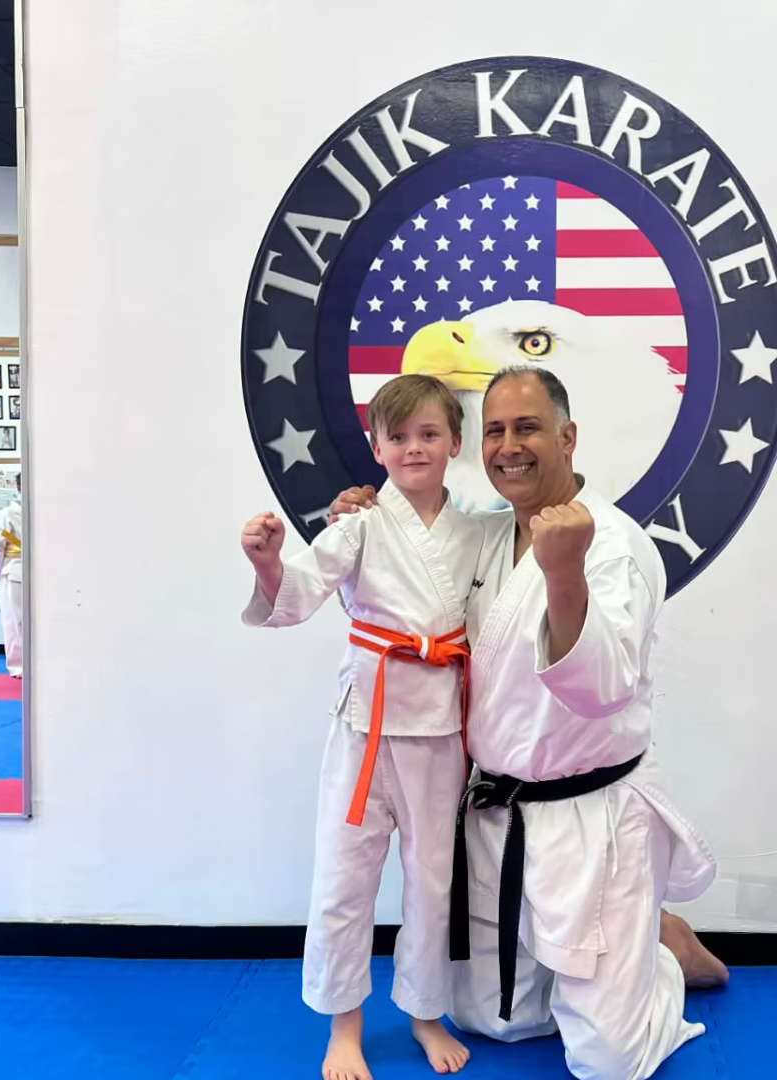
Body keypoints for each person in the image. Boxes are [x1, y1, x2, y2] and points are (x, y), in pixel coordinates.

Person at [332, 367, 728, 1080]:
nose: (509, 446)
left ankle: (661, 958)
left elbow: (604, 688)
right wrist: (368, 516)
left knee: (608, 1059)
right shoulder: (483, 536)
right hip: (498, 813)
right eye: (495, 431)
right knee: (492, 1021)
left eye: (528, 428)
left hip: (590, 816)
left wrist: (565, 573)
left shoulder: (614, 545)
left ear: (568, 438)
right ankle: (633, 943)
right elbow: (401, 598)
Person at [241, 374, 483, 1080]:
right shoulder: (357, 525)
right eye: (399, 437)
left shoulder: (477, 534)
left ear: (454, 443)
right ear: (376, 447)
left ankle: (425, 1011)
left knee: (434, 883)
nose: (414, 448)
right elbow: (295, 597)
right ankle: (343, 1027)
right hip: (365, 728)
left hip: (442, 732)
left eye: (429, 434)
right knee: (345, 877)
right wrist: (264, 560)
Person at [0, 475, 23, 677]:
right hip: (39, 571)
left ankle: (19, 666)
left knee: (14, 621)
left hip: (15, 570)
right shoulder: (48, 512)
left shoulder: (6, 515)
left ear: (17, 487)